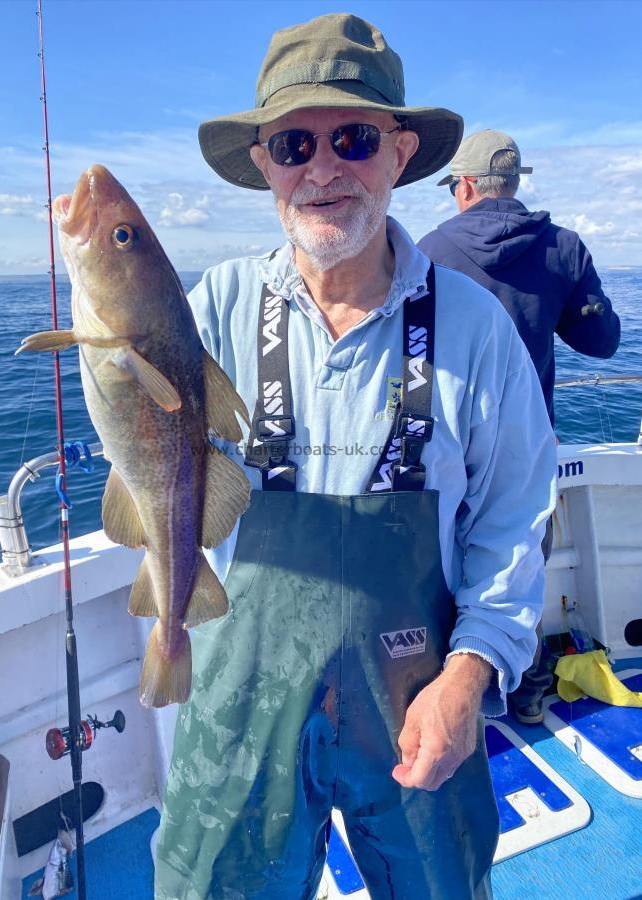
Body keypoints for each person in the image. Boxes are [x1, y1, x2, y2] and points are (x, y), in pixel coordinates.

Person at [155, 15, 556, 899]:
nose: (322, 167)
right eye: (294, 143)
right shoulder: (211, 308)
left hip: (418, 702)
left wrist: (470, 673)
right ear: (263, 163)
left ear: (399, 153)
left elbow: (514, 523)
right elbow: (152, 454)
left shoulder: (474, 328)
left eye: (354, 138)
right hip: (238, 705)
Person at [418, 130, 620, 724]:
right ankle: (525, 689)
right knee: (518, 560)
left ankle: (441, 694)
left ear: (463, 187)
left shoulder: (429, 249)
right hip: (529, 452)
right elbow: (603, 341)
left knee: (442, 564)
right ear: (513, 183)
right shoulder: (564, 247)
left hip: (444, 448)